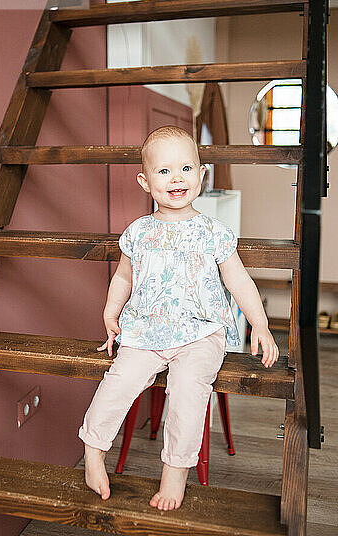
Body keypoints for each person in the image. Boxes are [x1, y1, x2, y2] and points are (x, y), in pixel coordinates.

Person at [78, 125, 279, 511]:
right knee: (118, 381)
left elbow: (237, 279)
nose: (177, 179)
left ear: (201, 174)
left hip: (200, 334)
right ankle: (93, 448)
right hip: (146, 331)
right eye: (165, 171)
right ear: (145, 180)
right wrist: (110, 312)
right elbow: (123, 276)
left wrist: (261, 324)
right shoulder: (138, 232)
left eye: (186, 168)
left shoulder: (213, 232)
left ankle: (175, 470)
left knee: (188, 389)